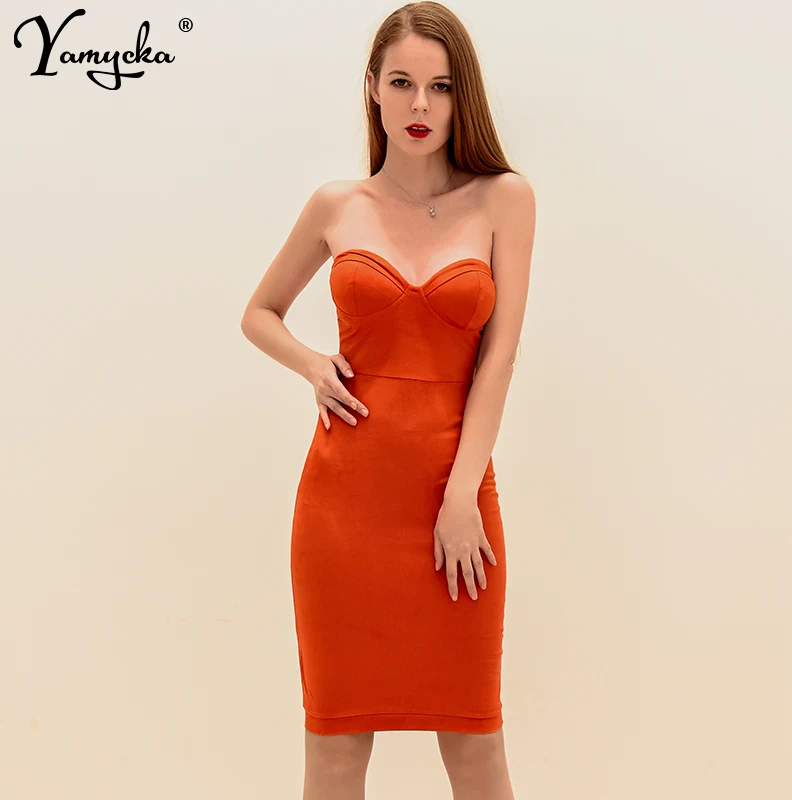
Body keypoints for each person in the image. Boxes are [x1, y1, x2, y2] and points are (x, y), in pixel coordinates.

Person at [241, 2, 535, 797]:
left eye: (440, 87)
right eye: (401, 82)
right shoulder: (337, 205)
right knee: (336, 748)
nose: (419, 105)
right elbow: (258, 313)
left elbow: (498, 359)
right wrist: (313, 365)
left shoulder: (504, 199)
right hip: (343, 511)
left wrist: (461, 495)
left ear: (462, 95)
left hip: (455, 502)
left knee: (475, 745)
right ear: (372, 86)